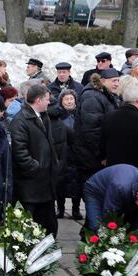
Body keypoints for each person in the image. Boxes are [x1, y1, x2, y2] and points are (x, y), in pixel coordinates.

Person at [10, 84, 59, 236]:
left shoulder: (43, 117)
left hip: (45, 183)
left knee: (49, 225)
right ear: (38, 100)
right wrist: (36, 168)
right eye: (46, 99)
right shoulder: (21, 121)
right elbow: (20, 152)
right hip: (31, 185)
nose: (49, 102)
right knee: (31, 226)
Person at [71, 69, 120, 219]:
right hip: (90, 156)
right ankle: (91, 231)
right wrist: (102, 155)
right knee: (93, 195)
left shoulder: (104, 95)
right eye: (113, 81)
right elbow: (92, 131)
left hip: (94, 154)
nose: (117, 84)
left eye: (118, 80)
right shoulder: (92, 97)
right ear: (102, 81)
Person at [83, 164, 138, 238]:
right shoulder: (120, 187)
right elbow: (109, 215)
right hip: (95, 191)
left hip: (117, 191)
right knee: (97, 227)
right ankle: (87, 239)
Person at [101, 85, 138, 172]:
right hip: (135, 168)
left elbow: (102, 142)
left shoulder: (109, 116)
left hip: (113, 166)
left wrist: (103, 157)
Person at [55, 89, 79, 218]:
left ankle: (76, 209)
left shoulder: (79, 115)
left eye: (71, 99)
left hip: (76, 153)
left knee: (76, 182)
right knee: (61, 183)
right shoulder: (59, 116)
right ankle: (61, 208)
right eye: (66, 99)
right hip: (63, 153)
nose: (69, 102)